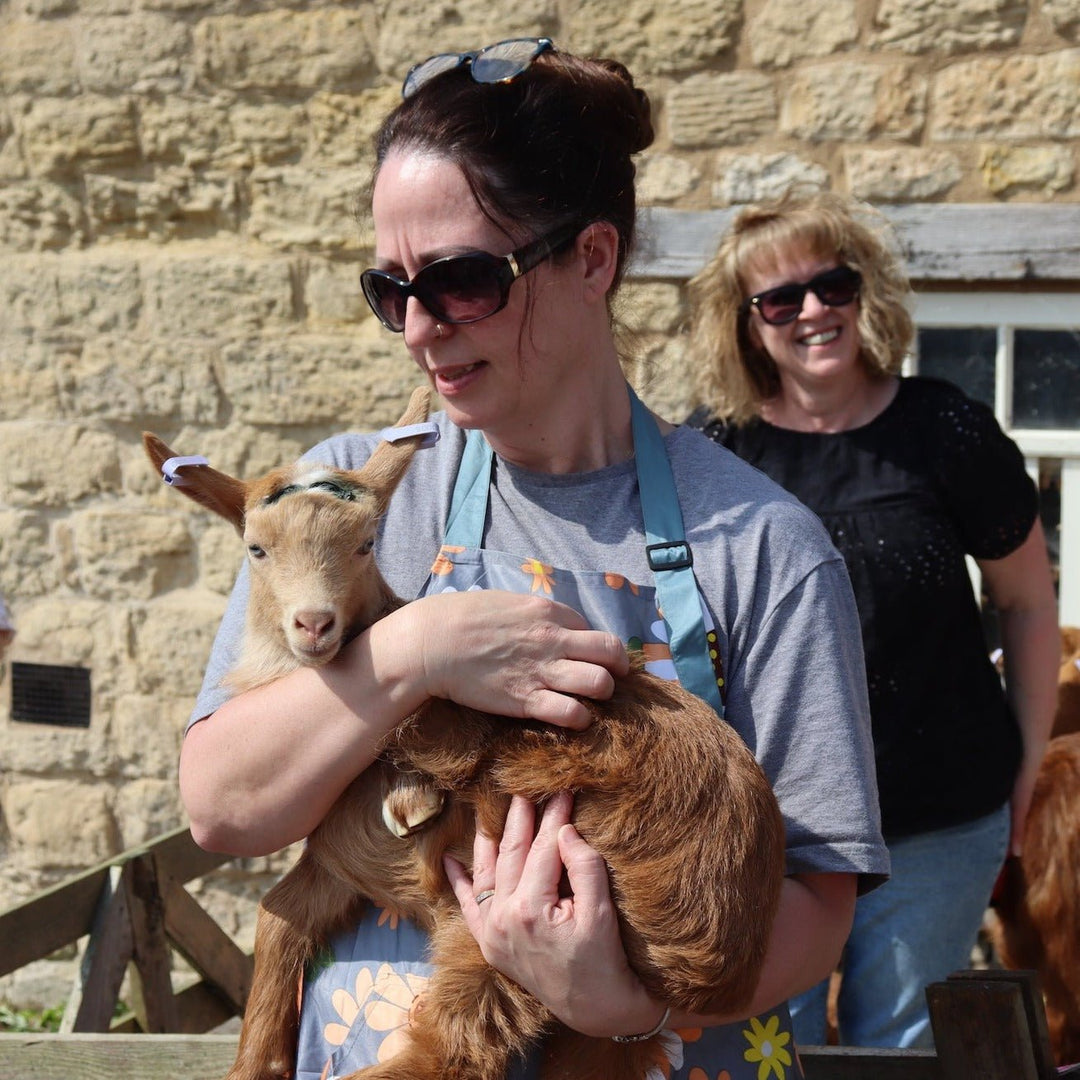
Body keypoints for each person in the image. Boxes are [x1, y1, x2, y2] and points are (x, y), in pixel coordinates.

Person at [182, 42, 888, 1079]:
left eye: (462, 280)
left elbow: (817, 903)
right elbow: (223, 806)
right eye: (390, 288)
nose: (419, 328)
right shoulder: (346, 503)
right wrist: (417, 649)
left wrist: (622, 1002)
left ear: (591, 260)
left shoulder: (764, 545)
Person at [686, 187, 1060, 1050]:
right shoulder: (714, 453)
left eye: (834, 284)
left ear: (865, 292)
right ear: (747, 325)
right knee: (765, 1051)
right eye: (782, 298)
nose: (814, 310)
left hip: (938, 821)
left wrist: (1027, 768)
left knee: (888, 1053)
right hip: (770, 830)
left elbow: (1029, 603)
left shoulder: (947, 431)